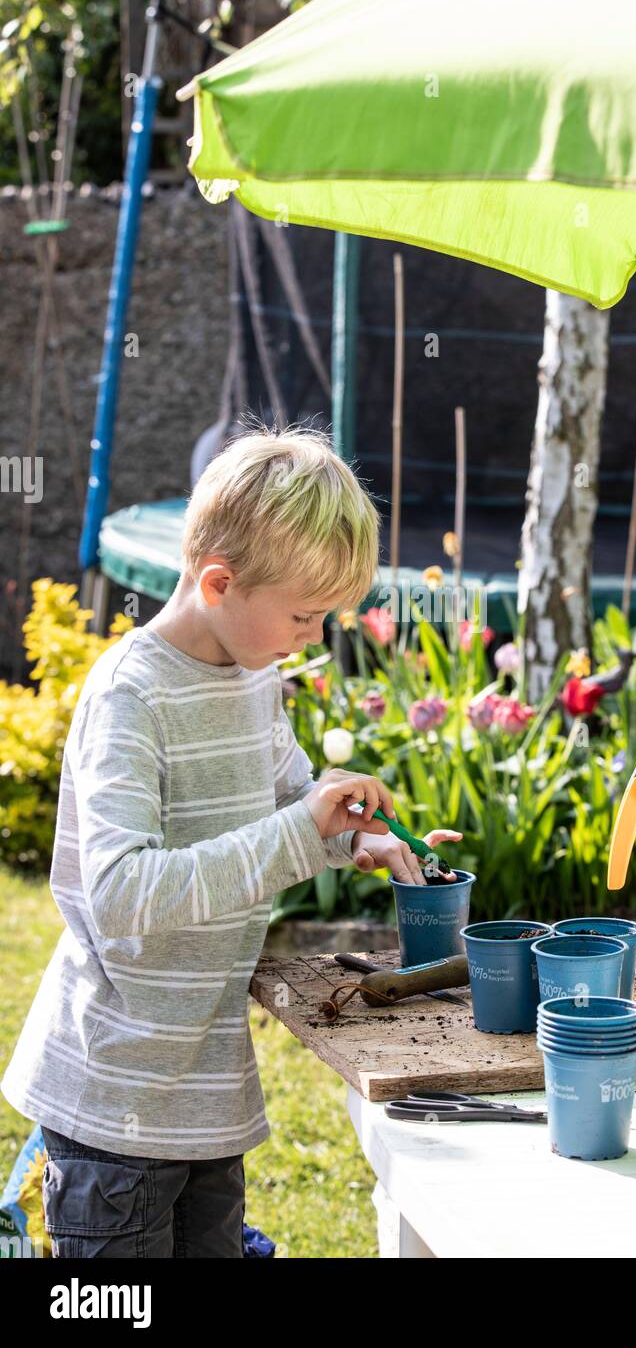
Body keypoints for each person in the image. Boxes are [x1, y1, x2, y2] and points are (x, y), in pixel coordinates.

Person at [0, 424, 461, 1257]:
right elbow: (122, 897)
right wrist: (297, 831)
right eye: (304, 616)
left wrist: (349, 839)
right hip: (116, 1101)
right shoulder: (130, 699)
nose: (315, 639)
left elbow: (285, 800)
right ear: (219, 583)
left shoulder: (254, 680)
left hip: (204, 1095)